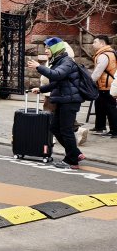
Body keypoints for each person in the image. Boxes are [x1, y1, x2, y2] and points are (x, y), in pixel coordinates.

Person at [30, 37, 84, 169]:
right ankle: (75, 153)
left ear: (56, 48)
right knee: (55, 127)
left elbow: (57, 75)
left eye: (48, 48)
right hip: (63, 99)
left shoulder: (66, 61)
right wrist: (41, 89)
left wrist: (39, 67)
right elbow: (57, 82)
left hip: (70, 101)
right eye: (45, 48)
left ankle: (72, 160)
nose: (46, 50)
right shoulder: (58, 60)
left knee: (66, 130)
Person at [89, 34, 117, 137]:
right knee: (99, 104)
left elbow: (98, 72)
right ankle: (100, 127)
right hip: (105, 84)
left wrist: (90, 81)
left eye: (95, 42)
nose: (93, 44)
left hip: (107, 85)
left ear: (102, 43)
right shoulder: (109, 52)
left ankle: (114, 131)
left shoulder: (104, 55)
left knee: (110, 108)